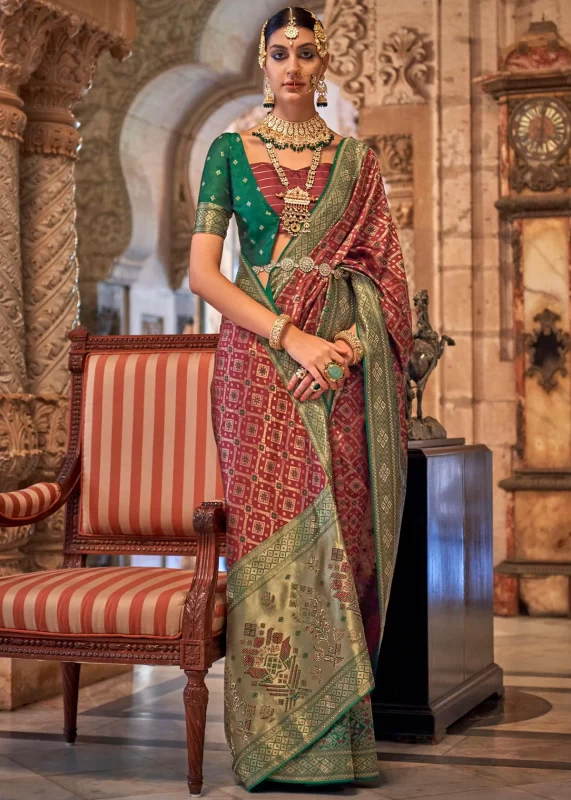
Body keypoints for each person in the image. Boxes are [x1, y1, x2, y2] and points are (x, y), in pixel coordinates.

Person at [189, 6, 413, 791]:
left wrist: (345, 348)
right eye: (279, 52)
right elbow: (205, 275)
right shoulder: (227, 151)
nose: (292, 66)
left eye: (306, 53)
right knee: (272, 544)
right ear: (262, 60)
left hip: (340, 372)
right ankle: (274, 739)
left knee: (339, 537)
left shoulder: (358, 162)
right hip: (259, 369)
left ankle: (339, 745)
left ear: (322, 65)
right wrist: (294, 338)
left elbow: (385, 280)